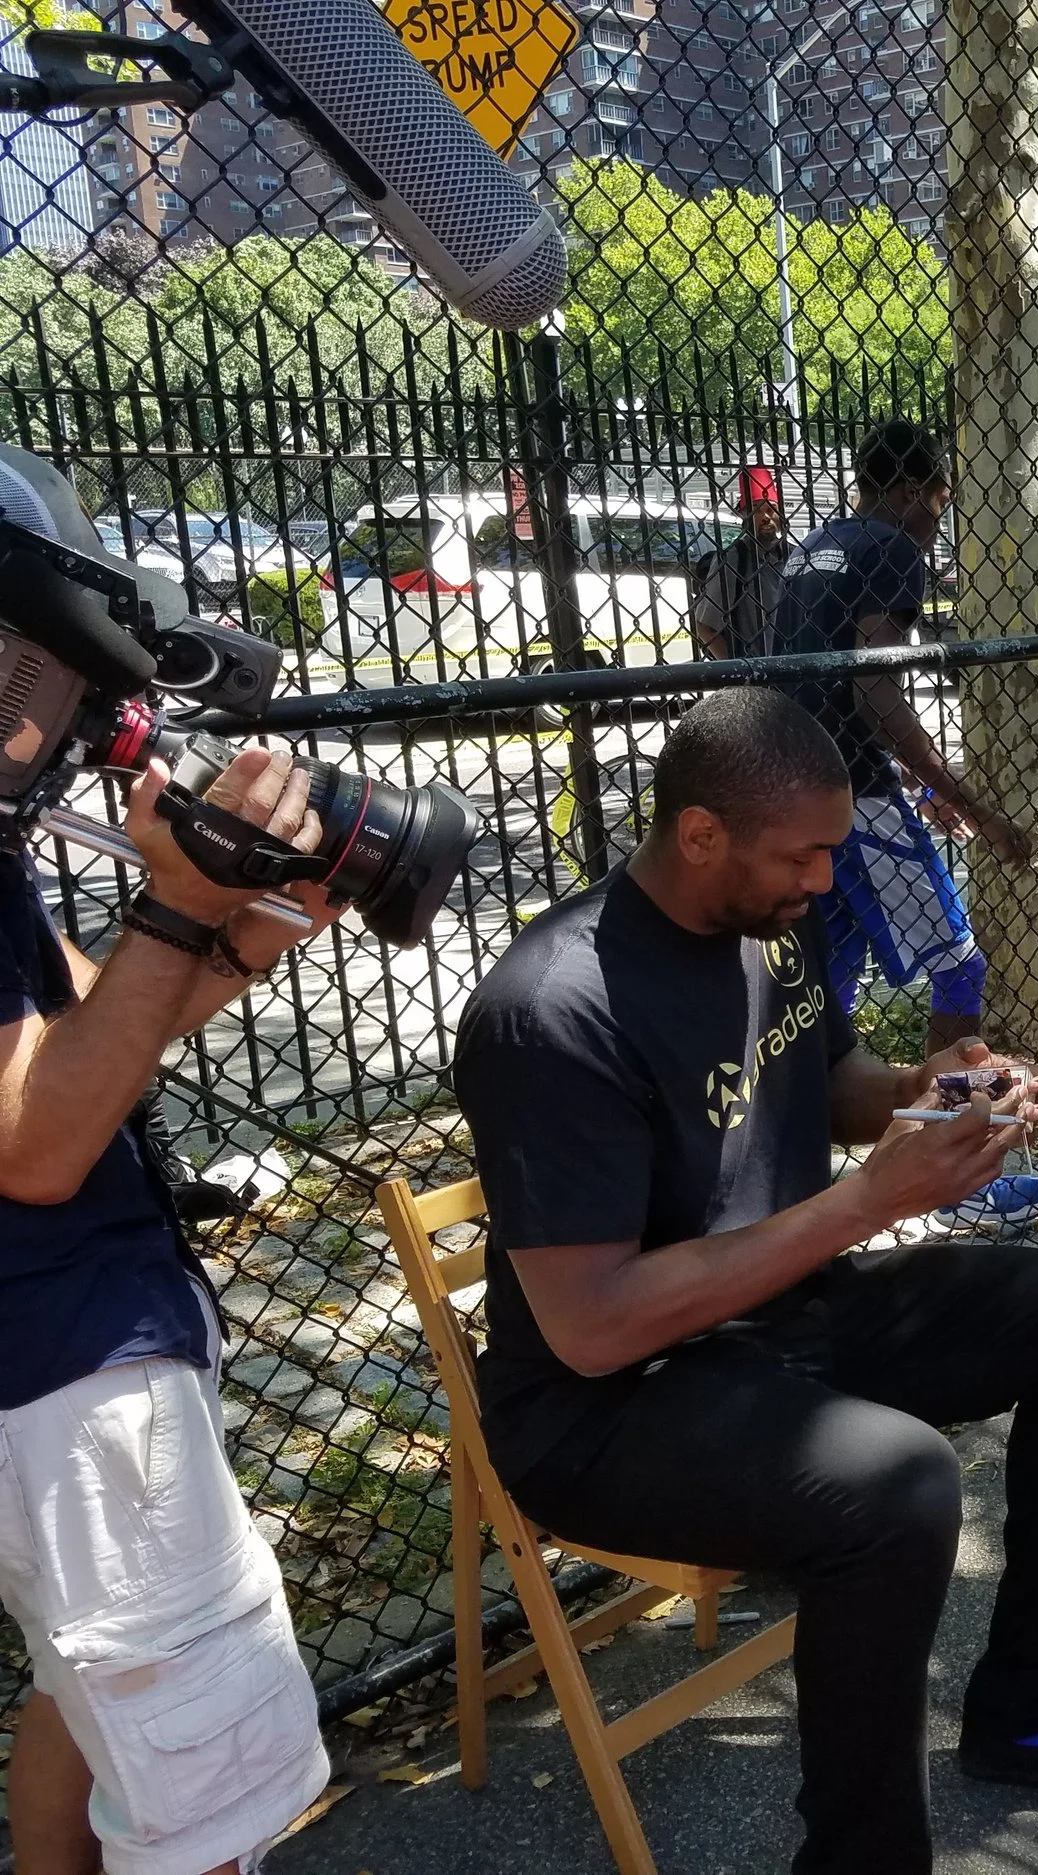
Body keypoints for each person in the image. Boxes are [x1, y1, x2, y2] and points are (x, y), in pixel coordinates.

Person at [451, 688, 1038, 1875]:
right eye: (800, 855)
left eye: (831, 850)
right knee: (897, 1487)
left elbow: (833, 1073)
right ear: (699, 834)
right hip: (607, 1405)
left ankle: (1027, 1713)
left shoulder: (771, 915)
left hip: (780, 1314)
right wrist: (866, 1202)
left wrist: (933, 1094)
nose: (821, 879)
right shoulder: (554, 1008)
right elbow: (593, 1328)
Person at [0, 453, 339, 1875]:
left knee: (84, 1708)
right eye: (29, 662)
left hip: (62, 1364)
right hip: (67, 1371)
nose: (52, 705)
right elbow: (37, 1140)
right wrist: (178, 900)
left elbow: (80, 1031)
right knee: (211, 1797)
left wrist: (230, 931)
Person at [776, 420, 1033, 1061]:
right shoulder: (893, 549)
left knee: (823, 984)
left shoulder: (816, 543)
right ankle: (943, 1131)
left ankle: (803, 1128)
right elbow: (874, 691)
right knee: (960, 969)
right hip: (856, 793)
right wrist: (980, 809)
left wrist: (919, 783)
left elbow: (824, 686)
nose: (939, 521)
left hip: (796, 789)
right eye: (942, 502)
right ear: (916, 489)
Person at [691, 464, 790, 661]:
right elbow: (704, 626)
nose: (766, 518)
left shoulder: (793, 556)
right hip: (756, 670)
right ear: (744, 514)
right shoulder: (734, 559)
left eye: (771, 509)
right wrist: (739, 671)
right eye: (757, 510)